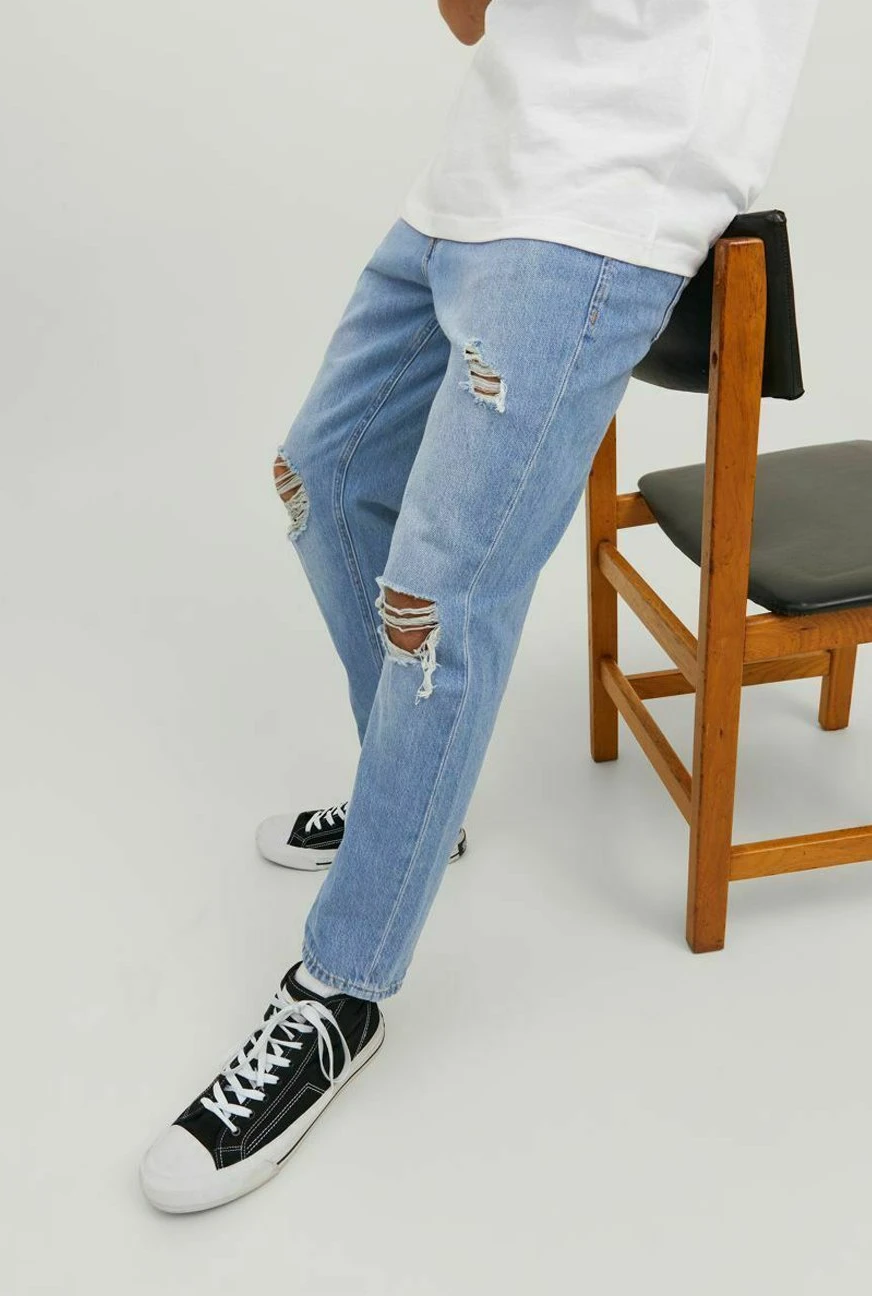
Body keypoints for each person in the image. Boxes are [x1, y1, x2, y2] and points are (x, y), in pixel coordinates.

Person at [140, 0, 821, 1212]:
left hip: (604, 210)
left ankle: (342, 990)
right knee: (321, 476)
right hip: (468, 186)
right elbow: (472, 20)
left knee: (439, 600)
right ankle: (413, 814)